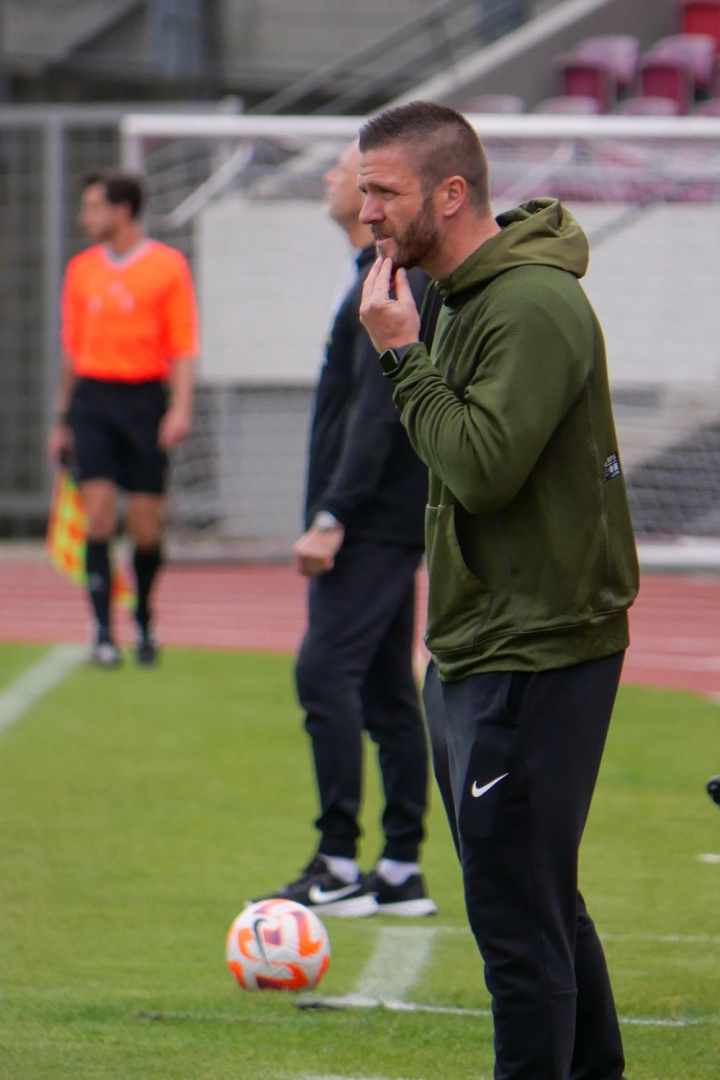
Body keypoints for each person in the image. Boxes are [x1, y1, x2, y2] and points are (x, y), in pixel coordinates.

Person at [357, 101, 639, 1077]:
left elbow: (481, 469)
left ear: (449, 191)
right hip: (480, 646)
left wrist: (400, 356)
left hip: (537, 649)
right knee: (538, 897)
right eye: (361, 192)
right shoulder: (457, 292)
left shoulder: (530, 305)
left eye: (383, 193)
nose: (367, 214)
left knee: (519, 928)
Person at [254, 141, 437, 918]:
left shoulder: (391, 274)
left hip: (369, 521)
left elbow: (379, 410)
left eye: (346, 172)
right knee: (387, 691)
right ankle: (398, 870)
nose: (334, 182)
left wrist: (333, 515)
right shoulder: (373, 270)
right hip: (384, 519)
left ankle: (337, 861)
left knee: (323, 676)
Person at [47, 168, 198, 667]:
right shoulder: (80, 270)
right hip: (93, 401)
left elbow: (182, 345)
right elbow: (71, 348)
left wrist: (179, 408)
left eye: (93, 206)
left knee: (146, 526)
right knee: (98, 513)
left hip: (143, 402)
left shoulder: (167, 267)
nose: (84, 216)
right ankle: (102, 632)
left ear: (122, 211)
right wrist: (62, 417)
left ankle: (144, 619)